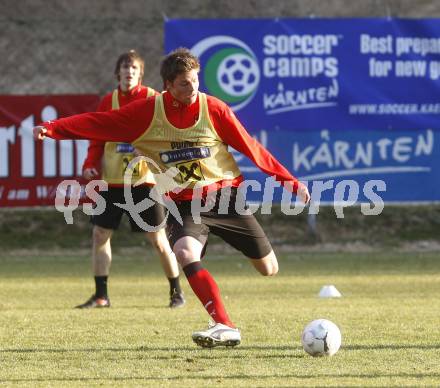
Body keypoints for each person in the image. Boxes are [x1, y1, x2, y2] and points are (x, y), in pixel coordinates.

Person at [34, 47, 310, 347]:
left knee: (269, 269)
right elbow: (97, 124)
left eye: (195, 80)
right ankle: (223, 324)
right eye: (184, 83)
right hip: (184, 205)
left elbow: (251, 147)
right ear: (168, 84)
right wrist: (52, 128)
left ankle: (215, 309)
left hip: (225, 198)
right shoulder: (146, 113)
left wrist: (289, 182)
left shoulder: (214, 109)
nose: (192, 88)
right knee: (184, 252)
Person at [76, 50, 185, 309]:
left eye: (133, 69)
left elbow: (166, 134)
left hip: (143, 183)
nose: (129, 73)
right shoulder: (108, 101)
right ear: (118, 73)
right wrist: (91, 164)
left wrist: (148, 149)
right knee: (100, 235)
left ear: (140, 74)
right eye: (125, 69)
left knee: (158, 239)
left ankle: (176, 292)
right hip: (112, 182)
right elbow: (97, 137)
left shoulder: (152, 99)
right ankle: (101, 296)